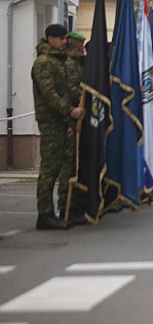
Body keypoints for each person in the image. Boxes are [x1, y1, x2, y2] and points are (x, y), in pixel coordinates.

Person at [30, 24, 85, 230]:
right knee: (49, 170)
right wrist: (70, 111)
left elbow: (68, 91)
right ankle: (44, 215)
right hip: (51, 122)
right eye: (61, 39)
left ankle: (64, 209)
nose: (64, 42)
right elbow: (49, 94)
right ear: (50, 39)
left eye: (65, 39)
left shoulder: (59, 61)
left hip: (62, 122)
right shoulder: (43, 63)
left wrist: (69, 121)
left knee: (64, 167)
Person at [57, 31, 87, 225]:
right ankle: (65, 208)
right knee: (68, 168)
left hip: (79, 121)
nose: (83, 48)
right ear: (77, 46)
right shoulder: (69, 65)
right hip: (70, 121)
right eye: (81, 45)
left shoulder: (78, 64)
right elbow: (68, 94)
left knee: (77, 166)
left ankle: (75, 207)